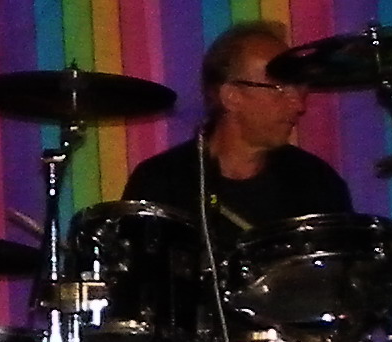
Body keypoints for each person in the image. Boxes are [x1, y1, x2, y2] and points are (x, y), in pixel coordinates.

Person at [123, 20, 351, 243]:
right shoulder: (161, 182)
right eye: (280, 88)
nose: (299, 105)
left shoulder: (317, 183)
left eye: (299, 88)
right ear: (231, 96)